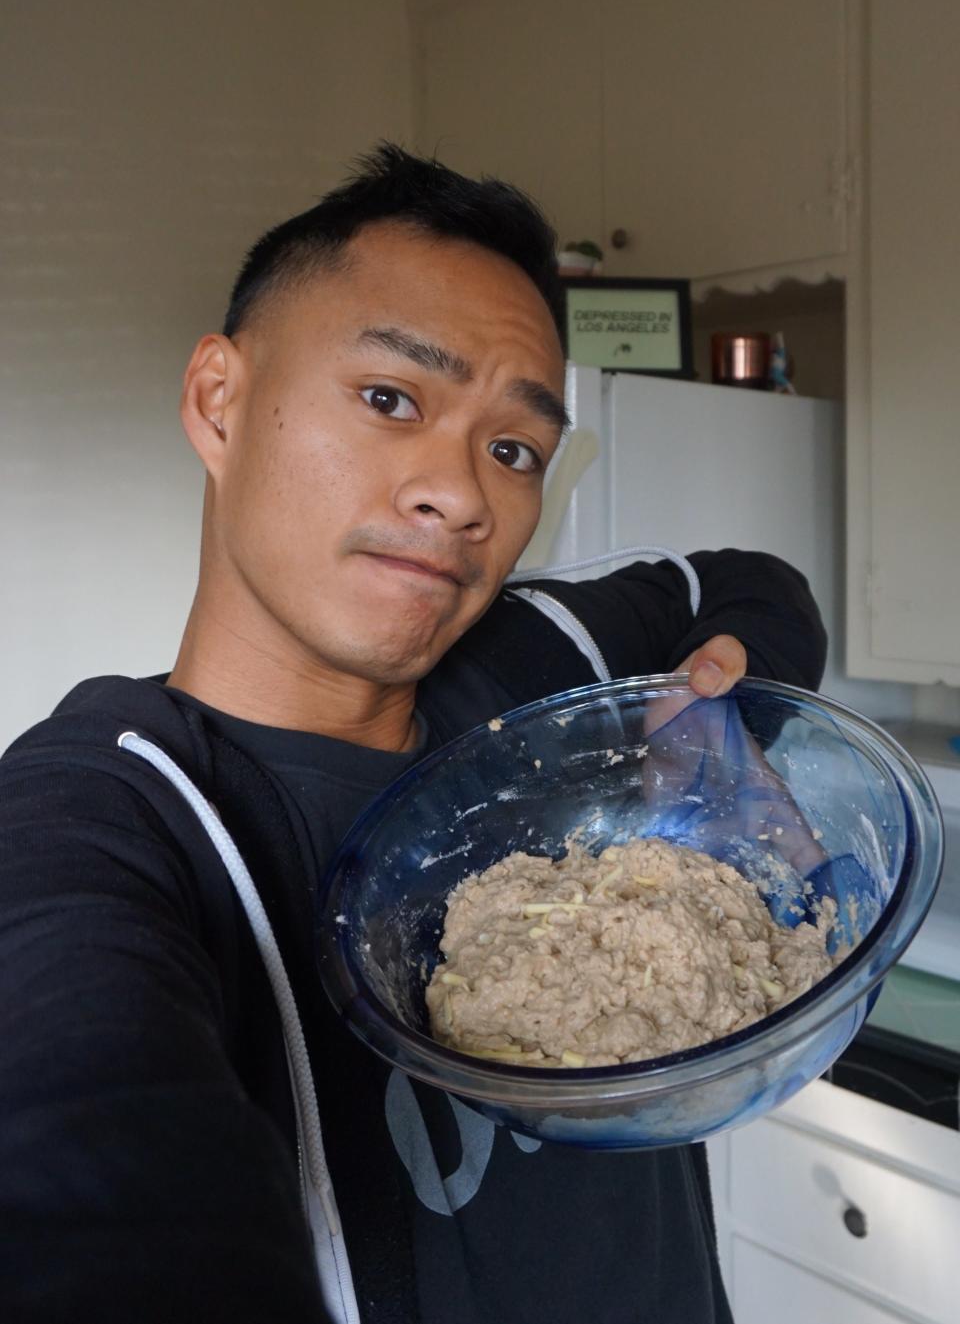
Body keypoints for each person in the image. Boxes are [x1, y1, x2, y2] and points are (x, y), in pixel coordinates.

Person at [0, 144, 826, 1323]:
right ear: (218, 400)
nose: (464, 495)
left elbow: (754, 584)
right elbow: (87, 1126)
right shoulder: (112, 817)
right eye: (391, 399)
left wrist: (724, 713)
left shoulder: (544, 661)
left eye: (514, 449)